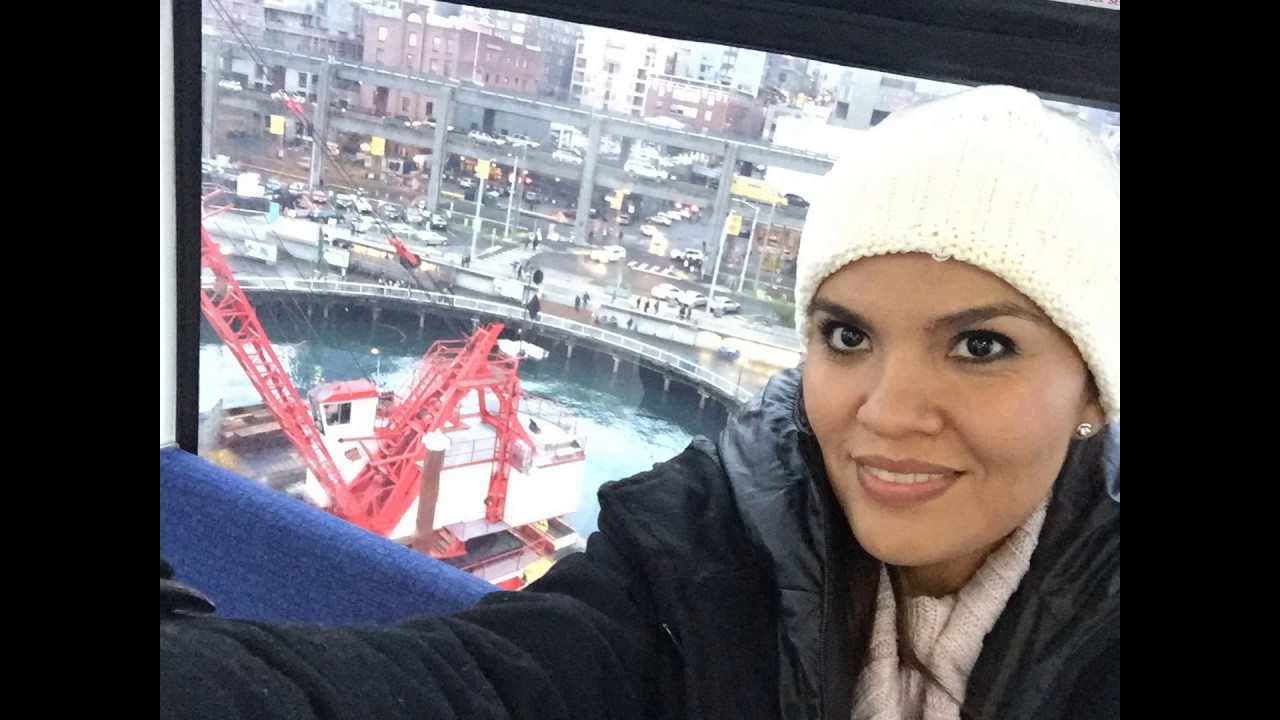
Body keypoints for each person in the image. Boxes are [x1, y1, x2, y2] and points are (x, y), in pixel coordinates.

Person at [161, 86, 1119, 719]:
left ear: (1093, 389)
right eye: (847, 336)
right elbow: (478, 685)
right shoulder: (704, 549)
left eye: (981, 346)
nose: (889, 411)